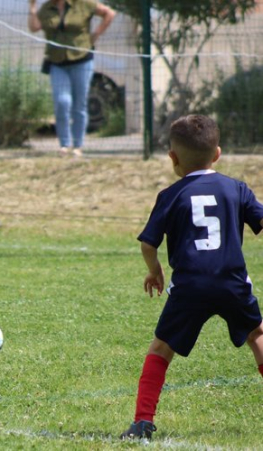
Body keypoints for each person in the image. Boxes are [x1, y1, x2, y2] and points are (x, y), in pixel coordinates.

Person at [121, 115, 263, 441]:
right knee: (257, 335)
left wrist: (155, 271)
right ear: (217, 154)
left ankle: (142, 422)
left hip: (190, 287)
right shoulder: (237, 189)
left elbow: (147, 243)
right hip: (232, 282)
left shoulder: (171, 195)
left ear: (172, 157)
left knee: (160, 348)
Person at [28, 0, 115, 157]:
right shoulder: (47, 8)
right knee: (62, 102)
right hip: (57, 62)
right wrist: (32, 7)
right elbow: (34, 27)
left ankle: (78, 145)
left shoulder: (83, 3)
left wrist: (96, 34)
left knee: (79, 105)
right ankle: (64, 144)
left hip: (81, 60)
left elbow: (109, 13)